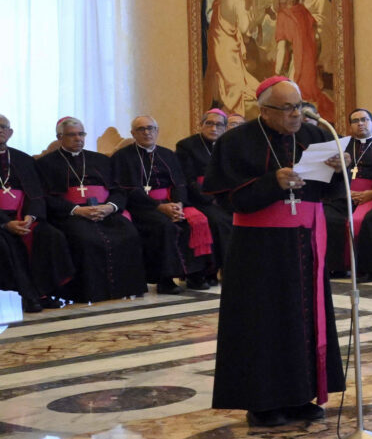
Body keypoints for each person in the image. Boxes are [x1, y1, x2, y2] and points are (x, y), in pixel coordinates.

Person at [204, 76, 344, 428]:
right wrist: (272, 183)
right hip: (258, 248)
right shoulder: (236, 141)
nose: (296, 114)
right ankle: (262, 402)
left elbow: (329, 193)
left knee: (304, 317)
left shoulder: (315, 135)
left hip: (304, 244)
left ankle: (302, 396)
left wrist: (337, 170)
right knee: (263, 322)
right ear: (264, 110)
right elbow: (226, 198)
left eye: (299, 106)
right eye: (287, 108)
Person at [37, 117, 147, 303]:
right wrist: (76, 210)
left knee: (129, 233)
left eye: (81, 134)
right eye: (72, 135)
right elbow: (44, 197)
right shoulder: (46, 164)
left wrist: (110, 207)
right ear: (59, 137)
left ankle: (127, 288)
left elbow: (119, 190)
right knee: (85, 238)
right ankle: (89, 292)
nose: (78, 138)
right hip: (70, 214)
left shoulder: (101, 160)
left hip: (104, 210)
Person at [111, 116, 214, 293]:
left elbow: (180, 183)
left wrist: (178, 204)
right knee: (165, 226)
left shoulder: (168, 154)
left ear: (157, 131)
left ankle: (194, 275)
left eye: (150, 128)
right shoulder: (122, 157)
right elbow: (128, 189)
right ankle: (165, 280)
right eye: (141, 129)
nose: (147, 132)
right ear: (133, 133)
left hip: (170, 203)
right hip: (142, 207)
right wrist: (159, 207)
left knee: (194, 222)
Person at [0, 114, 74, 311]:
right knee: (7, 244)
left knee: (51, 235)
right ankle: (29, 295)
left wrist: (31, 216)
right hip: (2, 221)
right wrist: (5, 223)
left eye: (3, 127)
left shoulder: (23, 160)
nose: (0, 130)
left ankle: (45, 291)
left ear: (10, 132)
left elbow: (37, 194)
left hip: (23, 216)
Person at [323, 108, 372, 280]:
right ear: (350, 126)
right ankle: (336, 267)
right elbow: (332, 173)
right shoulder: (342, 145)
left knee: (361, 221)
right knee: (328, 217)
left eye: (364, 120)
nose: (360, 124)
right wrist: (344, 191)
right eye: (355, 121)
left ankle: (369, 269)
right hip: (344, 193)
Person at [175, 108, 235, 276]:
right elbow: (188, 179)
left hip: (224, 196)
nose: (214, 128)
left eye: (219, 125)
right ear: (201, 125)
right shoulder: (186, 146)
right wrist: (210, 198)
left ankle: (237, 267)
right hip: (199, 198)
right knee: (220, 221)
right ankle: (216, 269)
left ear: (225, 128)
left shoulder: (229, 145)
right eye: (209, 123)